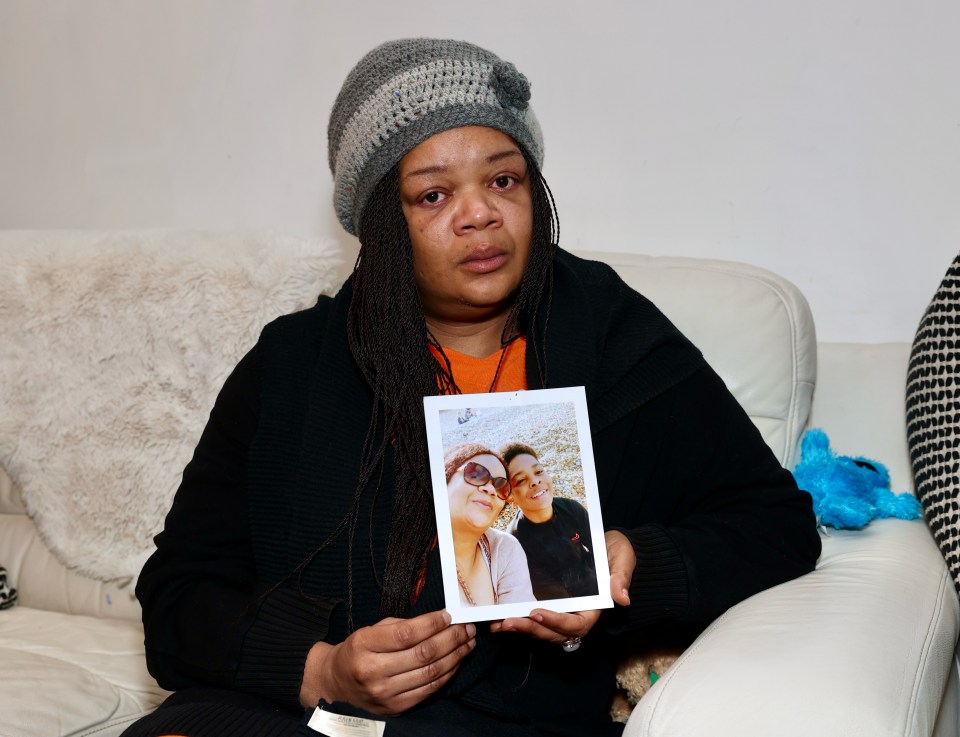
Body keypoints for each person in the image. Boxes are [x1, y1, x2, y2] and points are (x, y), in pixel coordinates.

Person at [123, 38, 821, 737]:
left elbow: (776, 523)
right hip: (293, 713)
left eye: (503, 181)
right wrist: (319, 665)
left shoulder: (614, 336)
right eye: (432, 194)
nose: (479, 215)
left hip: (510, 716)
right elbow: (179, 593)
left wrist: (639, 560)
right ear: (381, 224)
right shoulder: (291, 364)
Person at [501, 442, 598, 600]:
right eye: (520, 481)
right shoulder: (516, 544)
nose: (535, 481)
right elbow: (556, 598)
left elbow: (601, 553)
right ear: (510, 496)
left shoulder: (571, 508)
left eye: (538, 471)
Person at [444, 443, 535, 606]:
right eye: (476, 474)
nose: (491, 490)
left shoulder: (505, 549)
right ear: (446, 478)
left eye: (501, 487)